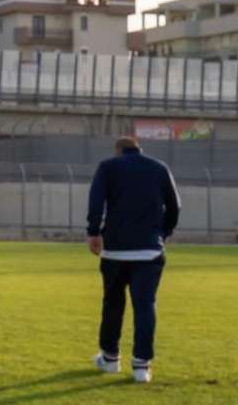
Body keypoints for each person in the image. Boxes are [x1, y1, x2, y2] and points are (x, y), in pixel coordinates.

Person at [87, 136, 181, 384]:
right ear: (138, 149)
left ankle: (110, 359)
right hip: (149, 251)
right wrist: (163, 233)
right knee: (145, 305)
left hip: (115, 250)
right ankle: (141, 366)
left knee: (113, 304)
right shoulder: (159, 167)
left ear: (118, 150)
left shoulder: (108, 167)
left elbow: (96, 200)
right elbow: (174, 206)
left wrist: (93, 232)